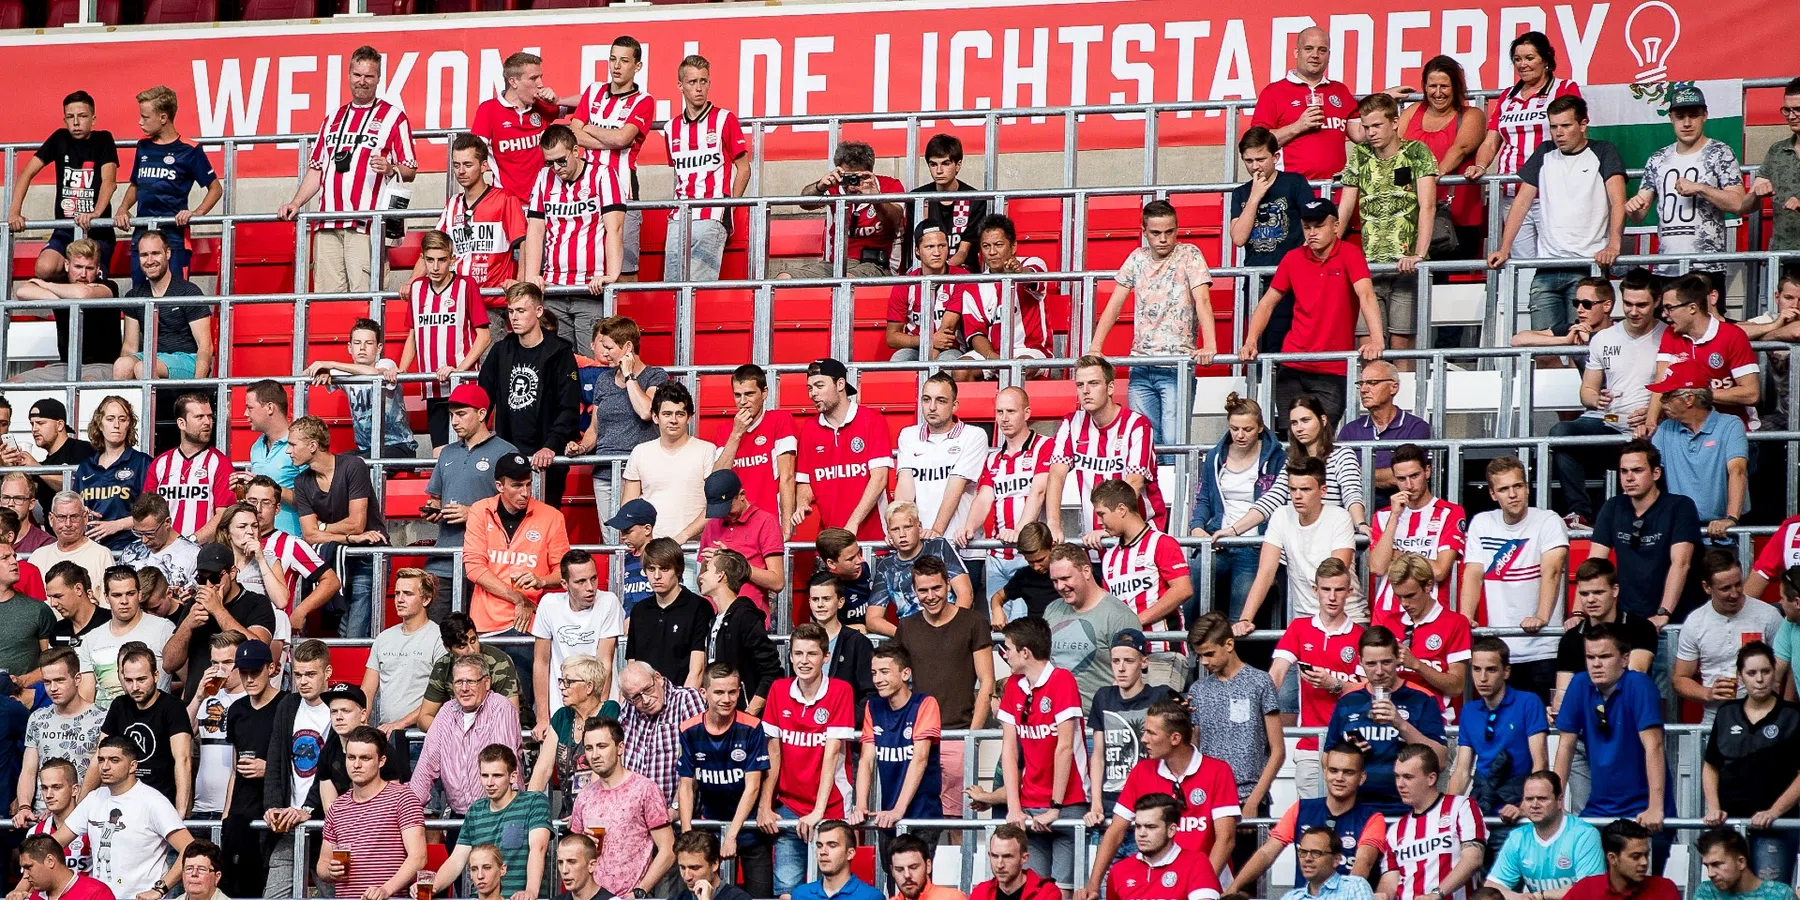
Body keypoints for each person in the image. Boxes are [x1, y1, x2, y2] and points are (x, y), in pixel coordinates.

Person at [276, 46, 417, 293]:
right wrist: (296, 202)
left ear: (378, 78)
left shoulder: (394, 117)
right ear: (349, 75)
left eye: (369, 76)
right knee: (327, 302)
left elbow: (411, 170)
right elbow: (317, 169)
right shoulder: (332, 118)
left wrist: (390, 167)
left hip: (366, 225)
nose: (362, 82)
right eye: (357, 75)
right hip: (326, 223)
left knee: (365, 299)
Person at [1237, 197, 1387, 425]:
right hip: (1292, 363)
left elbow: (1366, 294)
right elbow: (1267, 302)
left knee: (1322, 441)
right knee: (1293, 437)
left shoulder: (1350, 254)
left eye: (1319, 226)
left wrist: (1377, 339)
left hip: (1332, 368)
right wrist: (1251, 341)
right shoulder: (1293, 258)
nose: (1312, 233)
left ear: (1336, 226)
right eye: (1307, 227)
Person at [1487, 95, 1626, 336]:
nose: (1558, 133)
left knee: (1582, 343)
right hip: (1546, 267)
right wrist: (1505, 247)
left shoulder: (1603, 151)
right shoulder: (1544, 152)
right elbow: (1521, 203)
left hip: (1587, 266)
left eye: (1566, 125)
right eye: (1553, 126)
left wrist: (1613, 245)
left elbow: (1618, 201)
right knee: (1542, 349)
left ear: (1583, 124)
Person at [1091, 199, 1218, 450]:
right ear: (1144, 232)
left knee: (1173, 445)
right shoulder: (1137, 258)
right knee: (1142, 445)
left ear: (1177, 229)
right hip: (1140, 366)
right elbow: (1114, 305)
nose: (1163, 239)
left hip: (1176, 366)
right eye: (1156, 233)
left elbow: (1203, 299)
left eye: (1169, 232)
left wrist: (1210, 344)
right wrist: (1095, 345)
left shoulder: (1190, 254)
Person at [1083, 698, 1240, 899]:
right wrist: (1094, 883)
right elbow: (1115, 831)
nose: (1143, 739)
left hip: (1208, 885)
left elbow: (1225, 839)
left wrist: (1198, 881)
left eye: (1151, 733)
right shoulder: (1142, 771)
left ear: (1175, 738)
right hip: (1155, 887)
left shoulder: (1218, 771)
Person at [1552, 626, 1675, 874]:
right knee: (1593, 887)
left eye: (1605, 657)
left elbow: (1654, 745)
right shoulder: (1579, 683)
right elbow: (1565, 745)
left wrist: (1655, 807)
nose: (1596, 664)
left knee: (1641, 890)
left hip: (1642, 810)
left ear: (1625, 658)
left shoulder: (1639, 685)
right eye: (1591, 657)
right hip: (1598, 809)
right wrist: (1556, 799)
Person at [1551, 270, 1666, 527]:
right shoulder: (1603, 338)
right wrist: (1596, 399)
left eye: (1642, 305)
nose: (1633, 311)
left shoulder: (1669, 335)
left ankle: (1662, 514)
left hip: (1654, 427)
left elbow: (1675, 387)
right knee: (1561, 432)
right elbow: (1587, 391)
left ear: (1657, 302)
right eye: (1628, 304)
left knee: (1675, 439)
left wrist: (1654, 413)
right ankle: (1579, 512)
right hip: (1609, 422)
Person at [1464, 31, 1584, 270]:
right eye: (1517, 59)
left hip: (1552, 192)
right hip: (1512, 194)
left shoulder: (1564, 87)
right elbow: (1491, 141)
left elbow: (1575, 134)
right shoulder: (1508, 96)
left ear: (1546, 60)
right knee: (1521, 266)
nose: (1523, 64)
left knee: (1556, 263)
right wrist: (1480, 166)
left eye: (1529, 58)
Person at [758, 622, 855, 900]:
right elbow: (773, 755)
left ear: (825, 657)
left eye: (811, 654)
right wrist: (765, 805)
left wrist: (818, 812)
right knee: (787, 892)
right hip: (789, 806)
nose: (804, 661)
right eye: (798, 653)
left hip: (832, 806)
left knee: (834, 889)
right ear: (789, 656)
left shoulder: (840, 691)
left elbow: (832, 754)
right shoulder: (778, 689)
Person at [891, 555, 993, 821]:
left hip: (959, 734)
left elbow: (987, 682)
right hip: (918, 738)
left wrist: (972, 735)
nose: (930, 596)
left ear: (948, 585)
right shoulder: (907, 627)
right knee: (917, 819)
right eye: (922, 590)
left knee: (957, 820)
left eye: (936, 588)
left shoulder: (973, 622)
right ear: (914, 591)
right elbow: (896, 682)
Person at [1460, 456, 1568, 701]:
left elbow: (1552, 570)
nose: (1512, 494)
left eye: (1517, 486)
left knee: (1544, 729)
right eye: (1504, 489)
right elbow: (1473, 573)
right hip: (1501, 652)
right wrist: (1466, 615)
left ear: (1527, 487)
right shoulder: (1482, 522)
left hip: (1543, 649)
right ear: (1492, 493)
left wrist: (1541, 616)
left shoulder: (1548, 520)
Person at [464, 450, 569, 700]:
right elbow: (474, 568)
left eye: (528, 484)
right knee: (485, 703)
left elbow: (564, 571)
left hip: (530, 625)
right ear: (499, 485)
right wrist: (518, 598)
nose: (525, 492)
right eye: (517, 485)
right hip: (485, 624)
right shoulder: (480, 511)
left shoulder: (551, 517)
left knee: (523, 703)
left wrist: (542, 580)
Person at [1339, 93, 1439, 354]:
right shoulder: (1360, 155)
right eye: (1366, 126)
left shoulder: (1417, 151)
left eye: (1377, 125)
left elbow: (1427, 206)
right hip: (1369, 268)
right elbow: (1345, 206)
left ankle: (1405, 395)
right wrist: (1330, 248)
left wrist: (1418, 254)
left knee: (1402, 346)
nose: (1370, 133)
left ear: (1395, 122)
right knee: (1366, 344)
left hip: (1406, 268)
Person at [996, 617, 1090, 886]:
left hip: (1069, 802)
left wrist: (1055, 807)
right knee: (1033, 890)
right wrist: (1014, 808)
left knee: (1063, 891)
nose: (1005, 655)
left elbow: (1064, 747)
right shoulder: (1013, 686)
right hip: (1029, 805)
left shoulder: (1062, 680)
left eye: (1008, 648)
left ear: (1025, 652)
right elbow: (1009, 750)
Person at [522, 124, 625, 358]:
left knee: (591, 364)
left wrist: (612, 274)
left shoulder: (603, 175)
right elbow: (535, 230)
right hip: (554, 288)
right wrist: (531, 277)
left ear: (576, 151)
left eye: (561, 160)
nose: (556, 168)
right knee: (559, 368)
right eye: (549, 162)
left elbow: (615, 227)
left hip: (590, 288)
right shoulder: (543, 178)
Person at [478, 283, 583, 509]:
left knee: (543, 527)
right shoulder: (500, 351)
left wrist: (551, 446)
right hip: (507, 455)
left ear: (538, 311)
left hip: (547, 458)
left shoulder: (559, 352)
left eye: (521, 311)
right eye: (511, 311)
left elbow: (569, 408)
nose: (514, 318)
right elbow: (482, 399)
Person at [1702, 642, 1800, 882]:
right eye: (1751, 673)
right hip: (1729, 826)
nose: (1759, 679)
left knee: (1770, 895)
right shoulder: (1726, 712)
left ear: (1774, 672)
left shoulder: (1793, 716)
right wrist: (1713, 807)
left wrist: (1774, 812)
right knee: (1727, 894)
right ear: (1740, 676)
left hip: (1775, 826)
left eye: (1766, 672)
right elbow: (1711, 765)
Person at [1226, 744, 1384, 893]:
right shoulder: (1301, 808)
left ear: (1362, 777)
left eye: (1348, 772)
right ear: (1325, 772)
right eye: (1333, 770)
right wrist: (1232, 889)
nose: (1339, 778)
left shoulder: (1373, 818)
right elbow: (1267, 853)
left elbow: (1364, 862)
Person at [1045, 355, 1167, 545]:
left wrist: (1108, 527)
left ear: (1110, 387)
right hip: (1093, 539)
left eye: (1093, 383)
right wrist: (1053, 524)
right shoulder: (1071, 423)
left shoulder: (1136, 424)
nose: (1085, 391)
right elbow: (1055, 475)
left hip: (1139, 536)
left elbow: (1134, 482)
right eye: (1080, 385)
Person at [1625, 84, 1746, 275]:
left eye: (1693, 115)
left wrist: (1701, 188)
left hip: (1707, 267)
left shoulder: (1720, 152)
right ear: (1671, 118)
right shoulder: (1657, 159)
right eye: (1680, 117)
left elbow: (1739, 203)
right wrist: (1632, 208)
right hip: (1666, 267)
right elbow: (1639, 215)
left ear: (1704, 116)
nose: (1687, 123)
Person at [1323, 627, 1447, 814]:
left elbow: (1441, 760)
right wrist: (1349, 752)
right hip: (1357, 808)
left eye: (1386, 662)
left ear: (1398, 658)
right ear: (1360, 662)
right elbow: (1327, 758)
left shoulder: (1421, 698)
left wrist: (1401, 724)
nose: (1379, 671)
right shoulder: (1349, 700)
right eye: (1371, 664)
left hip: (1407, 809)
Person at [1269, 560, 1365, 798]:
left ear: (1349, 592)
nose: (1332, 597)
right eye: (1326, 589)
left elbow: (1370, 691)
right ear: (1315, 590)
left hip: (1351, 744)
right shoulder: (1299, 628)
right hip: (1309, 743)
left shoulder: (1361, 636)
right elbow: (1276, 674)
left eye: (1339, 590)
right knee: (1311, 823)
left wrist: (1334, 684)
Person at [1233, 457, 1360, 637]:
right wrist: (1245, 618)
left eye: (1305, 489)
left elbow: (1335, 575)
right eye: (1293, 489)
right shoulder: (1281, 516)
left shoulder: (1339, 517)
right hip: (1303, 622)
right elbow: (1265, 572)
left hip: (1348, 617)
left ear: (1323, 491)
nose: (1297, 495)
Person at [55, 736, 194, 899]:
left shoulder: (153, 801)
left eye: (114, 760)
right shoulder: (94, 798)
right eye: (101, 760)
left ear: (133, 766)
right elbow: (53, 843)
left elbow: (190, 848)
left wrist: (160, 889)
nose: (105, 767)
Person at [287, 414, 388, 637]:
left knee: (354, 635)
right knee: (337, 632)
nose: (288, 451)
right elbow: (309, 535)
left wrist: (323, 528)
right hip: (333, 559)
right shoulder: (301, 481)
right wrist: (349, 538)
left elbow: (356, 523)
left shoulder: (353, 466)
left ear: (313, 446)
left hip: (366, 558)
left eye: (293, 444)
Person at [677, 664, 772, 898]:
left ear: (739, 692)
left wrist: (732, 835)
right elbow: (686, 785)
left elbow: (753, 787)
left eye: (732, 692)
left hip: (749, 828)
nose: (726, 699)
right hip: (709, 826)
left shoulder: (751, 727)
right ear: (704, 693)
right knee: (701, 893)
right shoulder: (689, 729)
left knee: (759, 896)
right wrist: (689, 836)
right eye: (719, 692)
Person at [1445, 638, 1548, 853]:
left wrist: (1525, 806)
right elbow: (1462, 770)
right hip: (1481, 802)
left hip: (1516, 800)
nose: (1482, 678)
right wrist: (1446, 814)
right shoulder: (1469, 711)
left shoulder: (1528, 702)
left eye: (1491, 670)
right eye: (1476, 669)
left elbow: (1540, 762)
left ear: (1506, 671)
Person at [1186, 614, 1283, 838]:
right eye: (1200, 656)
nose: (1205, 662)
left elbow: (1277, 751)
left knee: (1247, 871)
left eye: (1209, 654)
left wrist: (1253, 801)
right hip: (1207, 799)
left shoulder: (1259, 682)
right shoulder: (1198, 690)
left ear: (1229, 644)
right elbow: (1193, 751)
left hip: (1248, 796)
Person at [567, 36, 655, 283]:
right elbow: (572, 132)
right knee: (591, 269)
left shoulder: (644, 101)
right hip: (588, 194)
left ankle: (627, 323)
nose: (616, 66)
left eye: (624, 61)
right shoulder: (594, 90)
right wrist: (610, 136)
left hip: (622, 191)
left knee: (625, 272)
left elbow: (622, 140)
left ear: (637, 66)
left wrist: (590, 127)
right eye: (613, 59)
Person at [116, 85, 220, 289]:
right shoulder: (143, 146)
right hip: (142, 234)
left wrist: (197, 212)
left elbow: (215, 188)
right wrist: (122, 208)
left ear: (163, 118)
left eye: (145, 117)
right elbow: (136, 184)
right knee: (139, 294)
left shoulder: (190, 150)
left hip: (173, 235)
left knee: (174, 296)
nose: (140, 122)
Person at [8, 91, 118, 279]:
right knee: (44, 269)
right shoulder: (59, 138)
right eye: (70, 117)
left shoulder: (104, 140)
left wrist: (96, 213)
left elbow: (110, 182)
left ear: (93, 119)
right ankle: (62, 305)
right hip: (65, 230)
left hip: (96, 231)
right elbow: (26, 173)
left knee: (85, 276)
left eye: (82, 116)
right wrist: (14, 212)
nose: (76, 122)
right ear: (64, 119)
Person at [851, 646, 942, 870]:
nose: (878, 679)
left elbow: (920, 758)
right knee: (893, 882)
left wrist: (899, 810)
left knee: (916, 883)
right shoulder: (873, 707)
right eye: (874, 673)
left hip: (922, 816)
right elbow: (866, 760)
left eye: (884, 672)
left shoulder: (925, 704)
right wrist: (861, 805)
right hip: (889, 817)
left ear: (905, 674)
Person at [662, 54, 751, 283]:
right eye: (692, 82)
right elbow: (678, 173)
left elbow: (743, 168)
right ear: (680, 86)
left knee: (697, 290)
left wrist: (728, 209)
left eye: (704, 81)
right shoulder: (671, 127)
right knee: (672, 289)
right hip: (678, 218)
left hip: (712, 215)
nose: (699, 88)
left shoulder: (724, 119)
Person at [1229, 394, 1367, 538]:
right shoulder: (1292, 460)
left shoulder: (1342, 454)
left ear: (1323, 420)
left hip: (1330, 538)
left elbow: (1352, 494)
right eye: (1294, 423)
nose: (1299, 428)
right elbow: (1273, 497)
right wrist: (1234, 530)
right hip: (1295, 540)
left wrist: (1360, 524)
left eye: (1305, 420)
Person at [427, 134, 526, 336]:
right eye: (456, 165)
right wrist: (412, 281)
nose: (461, 171)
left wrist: (520, 281)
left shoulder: (504, 198)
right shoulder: (452, 204)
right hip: (457, 301)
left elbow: (524, 243)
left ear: (483, 166)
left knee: (489, 366)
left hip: (491, 303)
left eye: (467, 164)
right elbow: (434, 245)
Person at [421, 384, 511, 603]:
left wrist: (473, 513)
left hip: (486, 563)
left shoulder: (506, 452)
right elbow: (435, 498)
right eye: (451, 415)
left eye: (461, 414)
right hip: (443, 561)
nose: (454, 421)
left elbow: (517, 509)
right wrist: (433, 509)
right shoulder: (447, 453)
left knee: (479, 635)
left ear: (482, 414)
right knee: (440, 634)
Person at [568, 717, 677, 898]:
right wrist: (583, 845)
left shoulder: (644, 789)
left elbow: (668, 849)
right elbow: (573, 856)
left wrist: (639, 892)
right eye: (589, 748)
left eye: (602, 746)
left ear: (620, 748)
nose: (594, 755)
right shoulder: (583, 797)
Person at [574, 316, 666, 528]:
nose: (604, 353)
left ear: (627, 347)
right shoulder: (603, 379)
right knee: (611, 539)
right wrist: (581, 447)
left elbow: (645, 411)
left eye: (609, 347)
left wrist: (629, 376)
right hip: (604, 473)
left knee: (638, 534)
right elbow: (594, 429)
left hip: (640, 474)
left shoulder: (655, 375)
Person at [316, 726, 428, 900]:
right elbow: (322, 864)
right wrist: (329, 870)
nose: (357, 764)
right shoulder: (337, 807)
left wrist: (385, 890)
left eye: (365, 758)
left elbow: (419, 857)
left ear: (381, 761)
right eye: (351, 757)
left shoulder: (402, 798)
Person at [1230, 127, 1314, 354]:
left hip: (1292, 279)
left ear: (1276, 157)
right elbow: (1238, 238)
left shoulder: (1295, 183)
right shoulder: (1241, 193)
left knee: (1288, 346)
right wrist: (1255, 196)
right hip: (1258, 281)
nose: (1255, 166)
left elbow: (1314, 226)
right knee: (1259, 346)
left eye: (1260, 159)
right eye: (1248, 161)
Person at [895, 373, 987, 580]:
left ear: (955, 406)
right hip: (919, 547)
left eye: (941, 400)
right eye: (926, 399)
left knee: (962, 611)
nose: (932, 407)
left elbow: (956, 487)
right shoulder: (908, 435)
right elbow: (905, 487)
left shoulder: (974, 435)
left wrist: (936, 531)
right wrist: (899, 526)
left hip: (962, 547)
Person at [1084, 629, 1172, 844]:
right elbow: (1098, 755)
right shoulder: (1103, 697)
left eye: (1128, 661)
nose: (1121, 668)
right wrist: (1095, 802)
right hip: (1109, 805)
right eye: (1115, 661)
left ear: (1144, 662)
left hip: (1150, 805)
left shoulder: (1160, 695)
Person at [259, 640, 332, 898]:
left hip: (327, 827)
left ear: (328, 673)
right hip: (289, 826)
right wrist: (271, 807)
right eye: (298, 674)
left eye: (311, 674)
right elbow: (275, 762)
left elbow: (333, 770)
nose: (303, 681)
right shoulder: (288, 705)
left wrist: (308, 809)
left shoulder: (338, 709)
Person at [430, 744, 550, 900]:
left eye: (497, 776)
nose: (490, 782)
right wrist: (432, 887)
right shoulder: (475, 810)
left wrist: (530, 892)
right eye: (485, 775)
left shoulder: (534, 801)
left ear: (513, 776)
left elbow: (538, 849)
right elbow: (456, 860)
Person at [1366, 444, 1465, 631]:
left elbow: (1440, 571)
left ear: (1427, 471)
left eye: (1414, 476)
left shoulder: (1451, 513)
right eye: (1401, 479)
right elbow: (1378, 567)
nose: (1409, 485)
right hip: (1387, 617)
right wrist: (1395, 516)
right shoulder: (1383, 516)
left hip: (1433, 614)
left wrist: (1398, 555)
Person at [409, 654, 523, 816]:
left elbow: (501, 764)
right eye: (458, 682)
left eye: (471, 681)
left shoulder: (501, 707)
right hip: (460, 814)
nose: (464, 688)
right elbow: (426, 766)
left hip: (500, 812)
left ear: (486, 682)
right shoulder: (446, 712)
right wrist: (407, 809)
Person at [1677, 552, 1782, 725]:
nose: (1735, 593)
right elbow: (1680, 679)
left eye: (1738, 584)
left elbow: (1786, 667)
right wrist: (1708, 693)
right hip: (1716, 720)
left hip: (1764, 717)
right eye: (1726, 588)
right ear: (1707, 587)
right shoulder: (1695, 622)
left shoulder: (1768, 615)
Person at [794, 357, 892, 543]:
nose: (813, 393)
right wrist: (802, 504)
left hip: (875, 539)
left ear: (840, 384)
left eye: (819, 385)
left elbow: (879, 478)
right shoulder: (808, 429)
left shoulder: (872, 420)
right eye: (810, 388)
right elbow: (804, 482)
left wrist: (853, 523)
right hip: (832, 542)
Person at [1095, 479, 1191, 665]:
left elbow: (1183, 590)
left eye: (1102, 514)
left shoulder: (1162, 542)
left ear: (1121, 509)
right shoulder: (1109, 556)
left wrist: (1136, 621)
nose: (1099, 522)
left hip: (1162, 652)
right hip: (1123, 656)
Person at [968, 387, 1052, 599]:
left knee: (1022, 627)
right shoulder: (993, 458)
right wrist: (968, 528)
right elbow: (984, 498)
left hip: (1029, 555)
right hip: (997, 555)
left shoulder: (1045, 446)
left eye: (1011, 411)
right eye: (999, 412)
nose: (1004, 418)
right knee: (998, 627)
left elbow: (1039, 491)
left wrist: (1019, 531)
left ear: (1027, 413)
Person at [1650, 273, 1760, 433]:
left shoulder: (1733, 335)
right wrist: (1650, 421)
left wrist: (1699, 394)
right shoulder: (1671, 333)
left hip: (1732, 430)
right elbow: (1661, 381)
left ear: (1692, 308)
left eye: (1669, 308)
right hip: (1687, 429)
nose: (1664, 315)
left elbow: (1751, 394)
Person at [1399, 56, 1486, 257]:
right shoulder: (1413, 112)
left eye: (1444, 86)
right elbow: (1397, 150)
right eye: (1432, 86)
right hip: (1415, 213)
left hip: (1457, 217)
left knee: (1455, 283)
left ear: (1456, 87)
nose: (1438, 93)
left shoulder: (1471, 115)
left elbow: (1459, 149)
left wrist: (1433, 174)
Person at [91, 642, 191, 814]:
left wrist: (180, 812)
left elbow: (183, 759)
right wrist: (80, 805)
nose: (135, 687)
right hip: (123, 804)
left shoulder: (173, 707)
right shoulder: (119, 705)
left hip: (161, 805)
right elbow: (99, 756)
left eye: (141, 679)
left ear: (156, 675)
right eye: (129, 680)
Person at [1249, 27, 1360, 181]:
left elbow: (1361, 134)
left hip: (1334, 188)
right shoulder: (1274, 92)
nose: (1315, 55)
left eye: (1322, 50)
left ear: (1329, 55)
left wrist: (1384, 99)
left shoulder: (1340, 90)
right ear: (1296, 52)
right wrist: (1298, 126)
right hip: (1292, 189)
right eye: (1309, 49)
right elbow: (1257, 144)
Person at [305, 317, 421, 461]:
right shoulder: (344, 374)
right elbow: (307, 373)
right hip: (366, 450)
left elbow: (373, 373)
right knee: (331, 464)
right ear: (349, 347)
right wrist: (323, 372)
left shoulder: (387, 364)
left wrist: (332, 364)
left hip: (399, 447)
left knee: (357, 465)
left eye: (369, 343)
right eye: (357, 343)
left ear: (379, 348)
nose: (362, 348)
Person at [9, 240, 122, 385]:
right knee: (13, 383)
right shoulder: (61, 284)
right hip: (64, 366)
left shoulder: (109, 286)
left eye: (89, 268)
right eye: (78, 267)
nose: (83, 274)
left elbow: (83, 293)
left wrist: (47, 285)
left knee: (86, 385)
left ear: (98, 268)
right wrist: (67, 294)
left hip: (102, 365)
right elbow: (23, 291)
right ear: (67, 265)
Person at [1043, 543, 1141, 706]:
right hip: (1057, 716)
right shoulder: (1052, 610)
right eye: (1055, 580)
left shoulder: (1119, 616)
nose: (1060, 586)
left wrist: (1105, 717)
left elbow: (1130, 675)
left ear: (1086, 571)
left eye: (1066, 578)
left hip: (1098, 718)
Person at [789, 140, 905, 279]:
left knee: (846, 281)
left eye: (856, 178)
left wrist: (875, 198)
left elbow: (894, 221)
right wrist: (820, 186)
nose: (851, 186)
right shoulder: (834, 187)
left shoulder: (889, 186)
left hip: (875, 265)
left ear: (869, 172)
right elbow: (805, 203)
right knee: (785, 279)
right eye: (847, 179)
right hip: (836, 265)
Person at [220, 640, 281, 898]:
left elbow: (302, 763)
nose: (248, 679)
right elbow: (235, 769)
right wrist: (226, 814)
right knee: (235, 887)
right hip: (240, 810)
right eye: (243, 672)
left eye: (254, 672)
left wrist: (268, 769)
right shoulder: (236, 710)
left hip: (274, 807)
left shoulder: (287, 705)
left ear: (271, 668)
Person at [530, 550, 621, 724]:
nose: (590, 587)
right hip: (562, 709)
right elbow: (541, 662)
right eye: (581, 581)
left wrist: (599, 714)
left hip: (600, 706)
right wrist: (542, 717)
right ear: (564, 584)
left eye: (593, 578)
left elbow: (605, 663)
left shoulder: (608, 601)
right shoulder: (549, 604)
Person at [362, 568, 446, 754]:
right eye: (397, 593)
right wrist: (362, 727)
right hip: (386, 736)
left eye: (408, 594)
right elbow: (367, 691)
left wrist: (401, 723)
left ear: (426, 599)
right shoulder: (383, 638)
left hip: (422, 738)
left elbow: (441, 696)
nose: (399, 599)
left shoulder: (439, 639)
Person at [1485, 771, 1605, 900]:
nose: (1535, 805)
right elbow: (1492, 887)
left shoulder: (1585, 835)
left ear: (1559, 801)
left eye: (1542, 799)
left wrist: (1541, 896)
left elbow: (1590, 891)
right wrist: (1518, 897)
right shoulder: (1518, 838)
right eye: (1529, 799)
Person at [710, 364, 798, 540]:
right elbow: (717, 479)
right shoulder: (726, 430)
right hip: (735, 523)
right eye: (737, 395)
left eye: (749, 394)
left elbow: (787, 477)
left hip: (769, 522)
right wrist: (736, 434)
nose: (743, 401)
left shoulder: (780, 420)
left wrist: (787, 526)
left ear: (764, 393)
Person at [1650, 381, 1749, 538]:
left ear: (1689, 399)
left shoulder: (1730, 424)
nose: (1662, 402)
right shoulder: (1665, 428)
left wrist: (1730, 519)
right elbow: (1649, 472)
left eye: (1668, 396)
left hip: (1721, 534)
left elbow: (1738, 470)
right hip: (1679, 531)